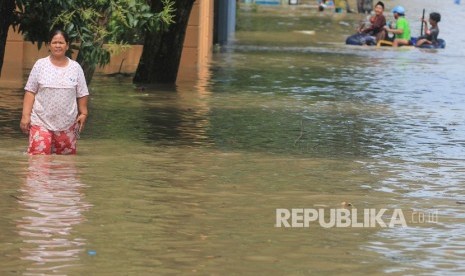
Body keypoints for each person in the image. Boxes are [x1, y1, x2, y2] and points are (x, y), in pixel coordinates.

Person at [20, 29, 89, 155]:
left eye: (61, 43)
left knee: (65, 166)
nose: (58, 45)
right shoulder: (40, 65)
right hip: (40, 121)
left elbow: (82, 93)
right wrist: (26, 116)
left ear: (67, 45)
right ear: (49, 45)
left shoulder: (75, 68)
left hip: (67, 124)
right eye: (54, 42)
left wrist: (83, 113)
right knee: (38, 162)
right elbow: (30, 91)